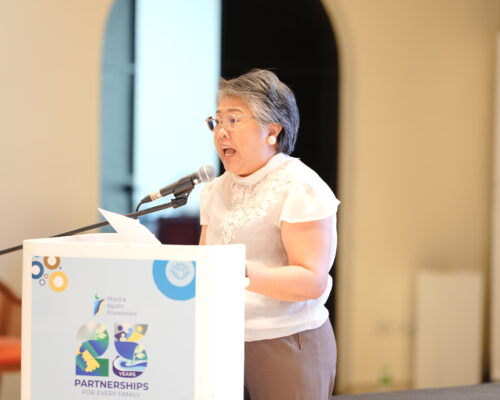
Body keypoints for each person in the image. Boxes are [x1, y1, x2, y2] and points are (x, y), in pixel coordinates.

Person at [199, 69, 339, 400]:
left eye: (233, 120)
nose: (221, 131)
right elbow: (204, 266)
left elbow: (311, 281)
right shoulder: (214, 191)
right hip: (221, 342)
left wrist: (239, 271)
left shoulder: (299, 186)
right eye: (217, 121)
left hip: (287, 342)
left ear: (272, 130)